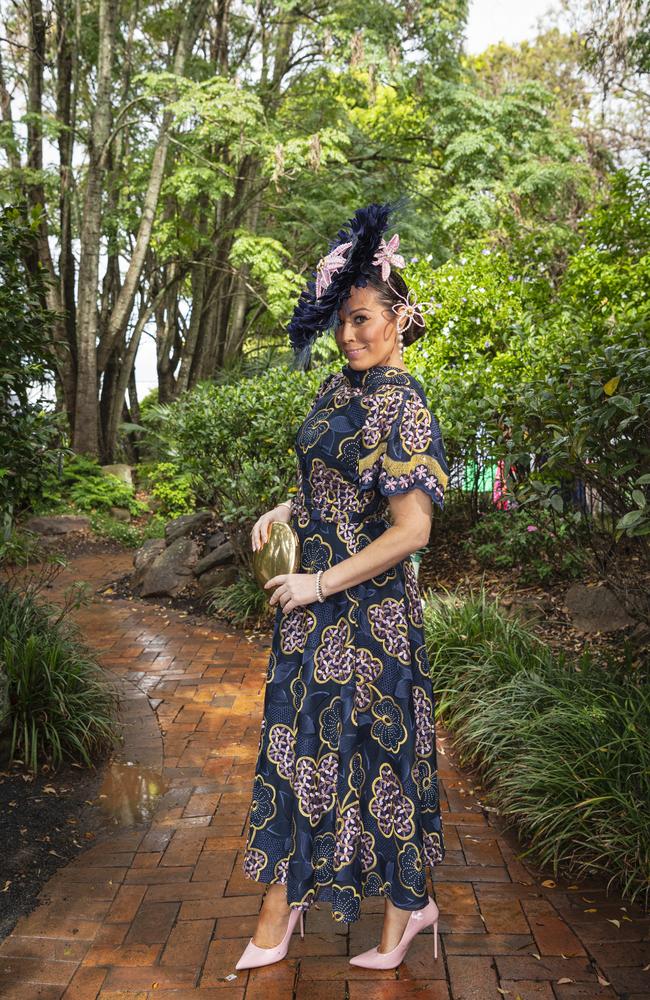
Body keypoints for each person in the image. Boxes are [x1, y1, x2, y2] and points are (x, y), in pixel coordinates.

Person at [237, 202, 449, 972]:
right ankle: (280, 905)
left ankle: (405, 907)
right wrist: (287, 506)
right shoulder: (339, 388)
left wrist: (320, 581)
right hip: (312, 613)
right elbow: (334, 475)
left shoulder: (405, 401)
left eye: (363, 320)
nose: (350, 335)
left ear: (399, 317)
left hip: (368, 616)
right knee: (298, 757)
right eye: (342, 322)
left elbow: (411, 530)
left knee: (379, 762)